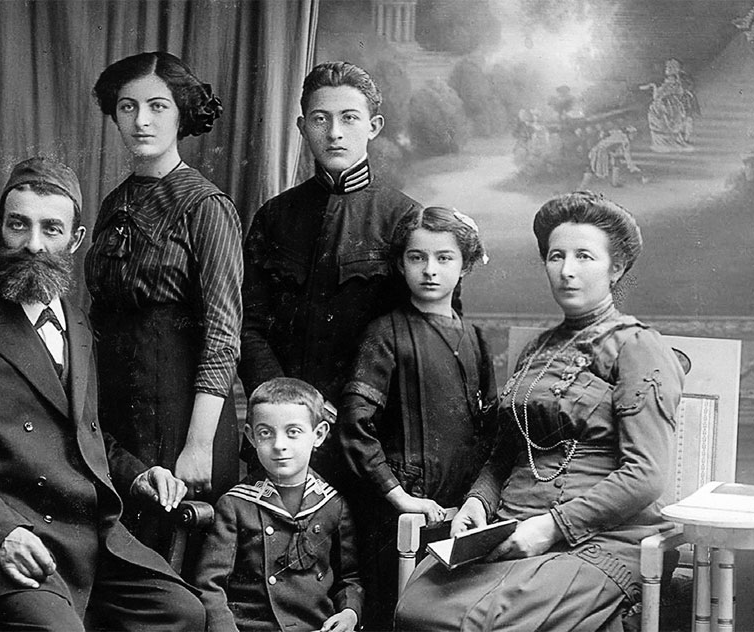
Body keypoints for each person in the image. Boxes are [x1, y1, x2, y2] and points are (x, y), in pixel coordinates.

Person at [0, 157, 205, 631]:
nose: (33, 245)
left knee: (183, 614)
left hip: (90, 539)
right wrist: (1, 533)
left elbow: (86, 436)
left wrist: (141, 476)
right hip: (2, 541)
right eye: (19, 225)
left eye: (51, 229)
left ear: (76, 240)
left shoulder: (78, 324)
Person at [395, 191, 686, 631]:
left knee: (481, 622)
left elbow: (646, 475)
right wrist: (478, 500)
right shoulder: (537, 348)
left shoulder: (639, 346)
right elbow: (507, 451)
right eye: (556, 256)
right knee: (417, 606)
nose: (567, 270)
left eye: (584, 256)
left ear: (616, 268)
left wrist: (551, 527)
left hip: (600, 538)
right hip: (514, 528)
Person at [239, 60, 421, 485]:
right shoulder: (274, 216)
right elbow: (249, 326)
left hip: (369, 435)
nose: (334, 132)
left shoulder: (404, 219)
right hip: (283, 435)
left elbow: (415, 336)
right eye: (320, 119)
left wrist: (356, 409)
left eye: (349, 118)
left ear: (374, 127)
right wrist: (290, 406)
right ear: (302, 127)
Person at [86, 52, 243, 530]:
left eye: (157, 106)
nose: (141, 120)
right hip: (118, 409)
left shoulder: (207, 206)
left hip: (182, 415)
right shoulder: (114, 203)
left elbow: (223, 335)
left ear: (181, 114)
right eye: (128, 107)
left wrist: (198, 445)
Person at [338, 206, 499, 630]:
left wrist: (478, 499)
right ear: (400, 264)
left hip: (463, 511)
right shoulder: (386, 333)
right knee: (396, 612)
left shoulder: (476, 339)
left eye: (444, 258)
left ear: (464, 266)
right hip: (403, 512)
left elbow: (493, 434)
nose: (430, 269)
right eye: (417, 257)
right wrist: (399, 496)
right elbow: (355, 425)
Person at [194, 377, 363, 632]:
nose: (279, 445)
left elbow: (349, 579)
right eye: (266, 433)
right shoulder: (236, 505)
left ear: (319, 435)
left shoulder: (332, 504)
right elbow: (209, 585)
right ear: (251, 437)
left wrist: (350, 613)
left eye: (293, 432)